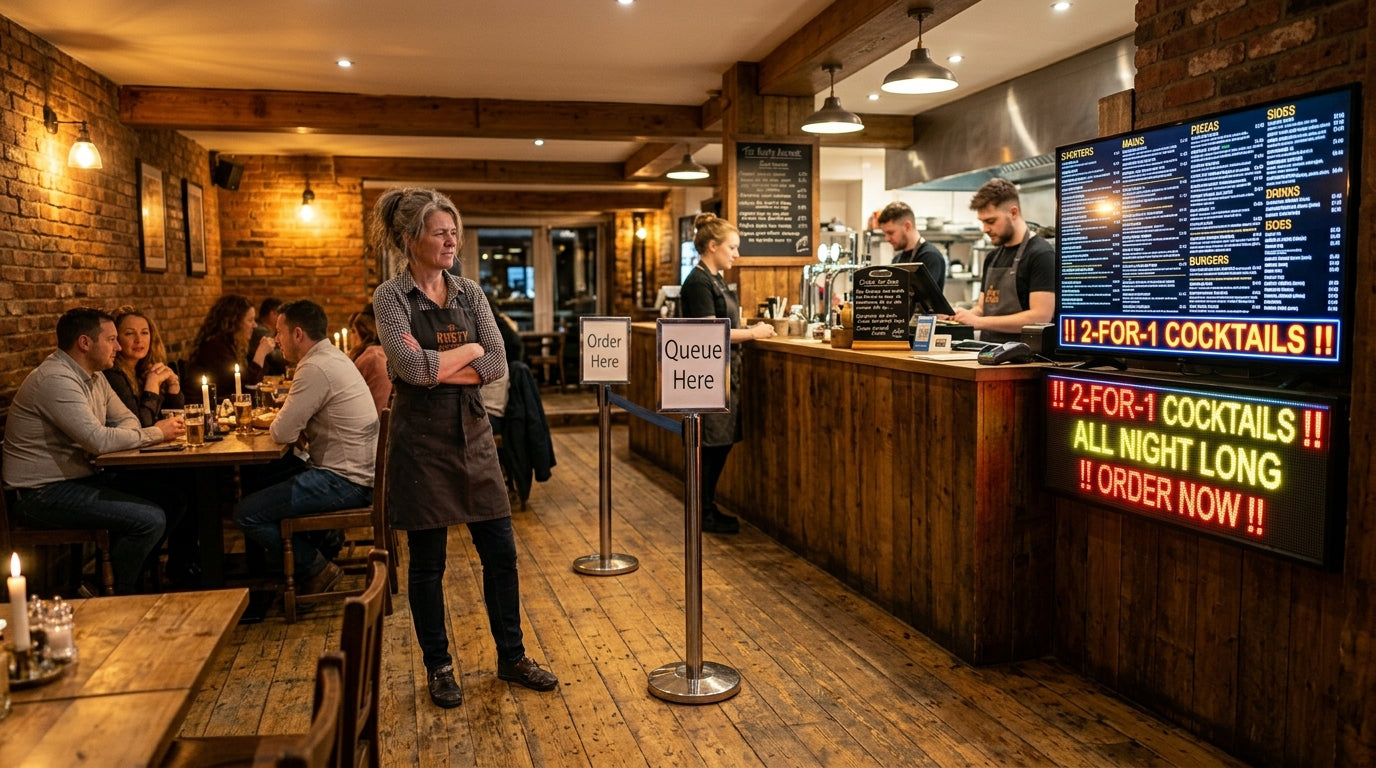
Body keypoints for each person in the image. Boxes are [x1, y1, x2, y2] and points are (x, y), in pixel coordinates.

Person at [370, 187, 558, 708]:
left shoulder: (470, 292)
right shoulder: (390, 297)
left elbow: (495, 363)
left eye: (454, 232)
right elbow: (409, 370)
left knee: (501, 553)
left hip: (473, 435)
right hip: (420, 442)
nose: (452, 241)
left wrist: (439, 363)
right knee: (428, 564)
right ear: (411, 239)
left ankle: (512, 656)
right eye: (441, 233)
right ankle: (439, 667)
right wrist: (463, 353)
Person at [2, 307, 184, 593]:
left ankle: (125, 580)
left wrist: (109, 437)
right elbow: (98, 440)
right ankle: (112, 594)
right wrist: (157, 433)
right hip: (41, 493)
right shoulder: (57, 380)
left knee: (174, 496)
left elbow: (128, 421)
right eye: (111, 339)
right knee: (150, 519)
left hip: (80, 479)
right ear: (85, 343)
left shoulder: (96, 376)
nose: (118, 347)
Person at [233, 300, 378, 618]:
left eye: (279, 332)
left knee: (245, 513)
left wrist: (288, 422)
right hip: (358, 473)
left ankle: (316, 566)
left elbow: (282, 432)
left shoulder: (313, 367)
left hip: (346, 481)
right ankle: (321, 545)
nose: (277, 339)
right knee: (268, 479)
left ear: (297, 333)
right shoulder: (332, 357)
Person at [677, 212, 776, 534]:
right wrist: (753, 333)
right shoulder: (699, 283)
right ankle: (702, 513)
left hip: (723, 373)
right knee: (711, 444)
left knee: (720, 443)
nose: (736, 253)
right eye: (732, 247)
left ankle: (705, 508)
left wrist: (747, 328)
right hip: (707, 377)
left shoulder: (715, 279)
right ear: (712, 246)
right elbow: (709, 333)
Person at [949, 178, 1055, 343]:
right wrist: (958, 316)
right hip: (989, 350)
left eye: (991, 221)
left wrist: (978, 322)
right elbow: (982, 309)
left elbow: (1040, 316)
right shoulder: (992, 257)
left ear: (1013, 213)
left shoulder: (1041, 254)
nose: (985, 229)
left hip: (1024, 354)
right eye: (982, 222)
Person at [104, 306, 184, 427]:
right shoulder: (112, 375)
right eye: (129, 333)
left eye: (144, 333)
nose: (139, 339)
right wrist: (152, 386)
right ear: (116, 339)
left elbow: (174, 422)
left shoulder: (144, 370)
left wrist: (173, 386)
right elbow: (140, 428)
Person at [188, 294, 276, 402]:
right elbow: (243, 385)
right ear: (235, 322)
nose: (255, 325)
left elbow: (256, 381)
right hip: (212, 406)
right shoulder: (215, 346)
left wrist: (263, 354)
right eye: (250, 320)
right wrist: (260, 353)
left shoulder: (235, 343)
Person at [877, 201, 946, 291]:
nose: (887, 238)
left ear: (907, 226)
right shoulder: (897, 259)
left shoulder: (930, 256)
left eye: (891, 233)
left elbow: (921, 295)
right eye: (885, 234)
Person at [347, 302, 392, 414]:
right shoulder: (385, 353)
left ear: (365, 331)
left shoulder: (372, 357)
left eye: (353, 331)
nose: (351, 337)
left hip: (365, 420)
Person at [252, 297, 288, 376]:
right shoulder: (260, 331)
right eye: (282, 315)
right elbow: (276, 358)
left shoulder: (267, 330)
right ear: (273, 314)